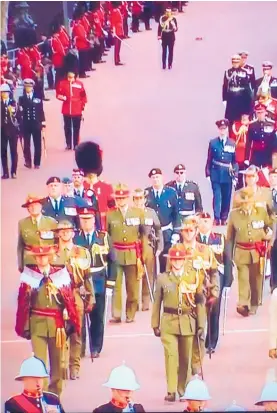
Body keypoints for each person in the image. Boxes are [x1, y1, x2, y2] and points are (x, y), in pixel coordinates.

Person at [15, 245, 80, 396]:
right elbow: (23, 303)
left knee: (57, 365)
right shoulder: (29, 275)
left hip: (57, 326)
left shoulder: (60, 274)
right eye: (38, 257)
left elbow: (69, 299)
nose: (41, 259)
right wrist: (25, 326)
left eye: (44, 256)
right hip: (37, 324)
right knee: (39, 363)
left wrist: (70, 321)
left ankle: (55, 396)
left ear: (49, 257)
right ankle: (40, 395)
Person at [151, 244, 206, 402]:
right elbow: (157, 303)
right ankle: (171, 390)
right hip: (169, 321)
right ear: (170, 260)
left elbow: (199, 302)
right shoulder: (163, 278)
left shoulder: (193, 276)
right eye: (174, 259)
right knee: (171, 355)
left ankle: (183, 390)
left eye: (179, 259)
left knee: (185, 358)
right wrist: (155, 324)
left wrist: (201, 325)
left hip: (188, 322)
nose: (176, 262)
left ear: (184, 260)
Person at [177, 216, 219, 374]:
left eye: (191, 230)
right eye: (185, 231)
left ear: (196, 231)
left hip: (201, 297)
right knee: (184, 334)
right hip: (182, 299)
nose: (188, 234)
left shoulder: (205, 250)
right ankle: (185, 365)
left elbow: (214, 272)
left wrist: (214, 292)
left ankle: (196, 364)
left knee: (200, 333)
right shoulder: (176, 250)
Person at [53, 220, 95, 379]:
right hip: (58, 295)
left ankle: (75, 367)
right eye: (61, 231)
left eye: (68, 230)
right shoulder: (53, 253)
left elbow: (87, 277)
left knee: (77, 331)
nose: (64, 233)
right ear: (57, 233)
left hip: (76, 293)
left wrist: (91, 297)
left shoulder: (81, 252)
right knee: (60, 331)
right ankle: (61, 365)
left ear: (73, 233)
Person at [74, 206, 116, 357]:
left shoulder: (103, 237)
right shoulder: (75, 238)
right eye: (83, 220)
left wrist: (110, 283)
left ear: (94, 220)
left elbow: (112, 261)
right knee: (79, 316)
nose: (86, 223)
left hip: (98, 282)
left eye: (89, 219)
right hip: (80, 283)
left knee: (97, 317)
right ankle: (81, 346)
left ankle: (95, 347)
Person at [226, 187, 274, 317]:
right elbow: (229, 237)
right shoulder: (234, 215)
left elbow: (270, 225)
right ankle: (243, 304)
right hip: (241, 252)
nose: (246, 205)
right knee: (243, 278)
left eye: (248, 202)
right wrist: (228, 256)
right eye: (243, 202)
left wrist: (269, 235)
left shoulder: (261, 212)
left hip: (257, 252)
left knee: (256, 281)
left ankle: (254, 303)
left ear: (253, 202)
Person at [107, 183, 145, 324]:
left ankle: (130, 314)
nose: (120, 201)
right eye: (118, 198)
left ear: (127, 198)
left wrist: (143, 254)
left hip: (132, 253)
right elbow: (107, 235)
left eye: (123, 198)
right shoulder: (111, 215)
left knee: (133, 288)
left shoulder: (137, 213)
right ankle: (116, 314)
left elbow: (143, 234)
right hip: (116, 254)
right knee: (116, 286)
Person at [197, 212, 233, 353]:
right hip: (199, 276)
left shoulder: (220, 239)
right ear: (198, 223)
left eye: (207, 221)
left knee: (214, 309)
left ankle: (212, 342)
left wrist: (228, 282)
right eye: (202, 221)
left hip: (216, 277)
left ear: (211, 223)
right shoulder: (194, 239)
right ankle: (198, 337)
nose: (204, 224)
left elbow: (227, 261)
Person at [133, 188, 163, 311]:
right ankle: (133, 303)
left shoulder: (151, 213)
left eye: (141, 198)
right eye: (136, 198)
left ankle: (146, 301)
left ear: (145, 199)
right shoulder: (130, 213)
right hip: (134, 246)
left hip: (148, 245)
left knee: (148, 274)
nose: (139, 201)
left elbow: (158, 230)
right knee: (134, 275)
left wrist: (159, 247)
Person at [145, 168, 180, 272]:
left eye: (158, 177)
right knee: (151, 263)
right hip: (151, 234)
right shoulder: (147, 193)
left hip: (166, 233)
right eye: (153, 178)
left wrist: (176, 232)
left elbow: (176, 214)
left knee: (165, 262)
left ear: (162, 178)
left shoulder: (171, 193)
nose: (156, 180)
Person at [205, 119, 238, 225]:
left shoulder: (232, 143)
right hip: (216, 173)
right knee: (217, 196)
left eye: (224, 129)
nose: (222, 131)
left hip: (227, 174)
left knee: (226, 197)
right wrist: (208, 172)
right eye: (220, 129)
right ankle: (217, 217)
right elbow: (209, 158)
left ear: (227, 129)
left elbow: (234, 161)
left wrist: (235, 175)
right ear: (218, 130)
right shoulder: (213, 143)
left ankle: (224, 217)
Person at [17, 194, 58, 273]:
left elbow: (57, 243)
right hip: (30, 262)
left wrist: (57, 261)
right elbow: (20, 246)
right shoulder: (22, 223)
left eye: (35, 205)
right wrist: (20, 264)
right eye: (30, 206)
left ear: (41, 206)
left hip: (49, 261)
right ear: (28, 209)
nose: (33, 208)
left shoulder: (51, 222)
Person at [18, 78, 46, 169]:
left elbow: (41, 110)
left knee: (37, 144)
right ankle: (28, 161)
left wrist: (43, 122)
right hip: (26, 124)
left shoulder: (37, 97)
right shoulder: (21, 99)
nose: (28, 89)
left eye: (30, 87)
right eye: (26, 87)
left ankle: (37, 162)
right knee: (26, 144)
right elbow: (19, 112)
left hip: (36, 123)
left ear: (32, 88)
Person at [56, 71, 87, 150]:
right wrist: (63, 98)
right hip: (66, 109)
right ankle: (69, 144)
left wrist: (82, 106)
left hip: (77, 109)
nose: (70, 79)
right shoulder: (62, 83)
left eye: (71, 77)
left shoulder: (80, 84)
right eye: (69, 77)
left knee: (76, 128)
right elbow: (58, 94)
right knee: (67, 128)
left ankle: (76, 144)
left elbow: (83, 96)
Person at [245, 103, 277, 168]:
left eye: (262, 112)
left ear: (265, 112)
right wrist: (246, 158)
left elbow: (274, 141)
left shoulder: (271, 124)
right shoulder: (252, 125)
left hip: (268, 154)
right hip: (257, 155)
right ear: (256, 114)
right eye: (258, 113)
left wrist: (275, 154)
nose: (260, 115)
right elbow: (248, 143)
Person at [222, 54, 252, 124]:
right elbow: (225, 86)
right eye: (234, 62)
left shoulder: (244, 72)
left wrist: (248, 100)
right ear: (232, 62)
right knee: (231, 120)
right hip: (231, 98)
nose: (235, 64)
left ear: (239, 62)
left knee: (241, 120)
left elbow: (247, 88)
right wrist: (224, 99)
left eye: (237, 62)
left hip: (241, 98)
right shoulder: (228, 72)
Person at [1, 83, 19, 179]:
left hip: (12, 130)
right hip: (2, 130)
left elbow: (17, 115)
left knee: (13, 151)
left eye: (6, 92)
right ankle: (5, 172)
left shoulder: (13, 103)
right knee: (3, 151)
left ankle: (13, 171)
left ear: (9, 93)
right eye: (2, 92)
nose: (4, 94)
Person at [230, 113, 251, 189]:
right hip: (238, 156)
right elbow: (232, 141)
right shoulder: (235, 126)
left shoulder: (252, 125)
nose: (245, 117)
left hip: (249, 156)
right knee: (238, 179)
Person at [110, 2, 124, 66]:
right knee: (117, 46)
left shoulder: (117, 10)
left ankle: (118, 59)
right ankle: (116, 60)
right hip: (117, 31)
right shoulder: (114, 11)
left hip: (120, 29)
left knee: (119, 46)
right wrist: (114, 31)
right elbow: (113, 22)